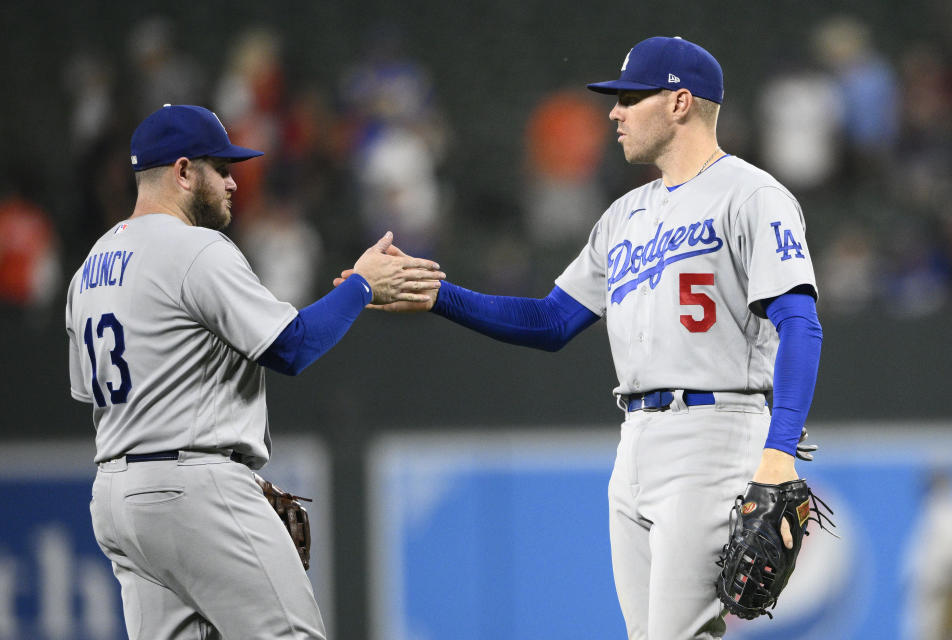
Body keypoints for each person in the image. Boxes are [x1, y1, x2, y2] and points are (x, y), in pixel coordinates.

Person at [336, 37, 823, 639]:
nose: (614, 113)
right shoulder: (624, 215)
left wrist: (777, 454)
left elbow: (799, 322)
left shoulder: (752, 195)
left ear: (679, 102)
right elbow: (550, 322)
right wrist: (439, 296)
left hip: (716, 430)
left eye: (628, 98)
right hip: (636, 437)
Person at [65, 104, 444, 639]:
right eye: (220, 169)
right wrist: (362, 285)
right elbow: (291, 348)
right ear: (182, 171)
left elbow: (95, 394)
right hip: (192, 487)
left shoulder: (90, 267)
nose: (233, 183)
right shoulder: (195, 249)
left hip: (116, 497)